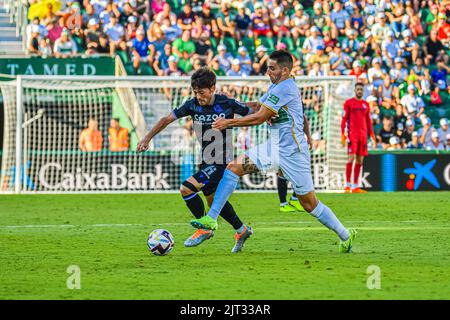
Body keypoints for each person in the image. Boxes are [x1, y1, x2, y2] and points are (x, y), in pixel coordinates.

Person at [191, 51, 357, 253]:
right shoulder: (276, 86)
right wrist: (230, 102)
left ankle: (345, 235)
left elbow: (259, 117)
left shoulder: (286, 88)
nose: (267, 71)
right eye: (267, 67)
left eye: (272, 68)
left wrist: (228, 122)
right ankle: (211, 219)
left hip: (293, 153)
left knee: (309, 204)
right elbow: (256, 107)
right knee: (233, 167)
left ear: (285, 70)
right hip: (273, 146)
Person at [136, 67, 259, 252]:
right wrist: (147, 138)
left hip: (222, 162)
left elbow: (251, 110)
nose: (198, 96)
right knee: (213, 202)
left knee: (186, 188)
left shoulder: (226, 102)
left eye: (201, 92)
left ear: (212, 88)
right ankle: (241, 230)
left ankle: (204, 229)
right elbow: (166, 119)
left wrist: (270, 112)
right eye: (195, 92)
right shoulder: (192, 105)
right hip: (205, 160)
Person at [341, 83, 376, 193]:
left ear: (363, 91)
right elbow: (344, 119)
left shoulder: (366, 104)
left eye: (361, 89)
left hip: (363, 136)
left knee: (360, 160)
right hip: (353, 135)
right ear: (355, 90)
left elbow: (368, 121)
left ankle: (355, 186)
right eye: (358, 89)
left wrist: (372, 134)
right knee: (351, 158)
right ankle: (347, 185)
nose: (359, 91)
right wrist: (343, 133)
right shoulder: (349, 103)